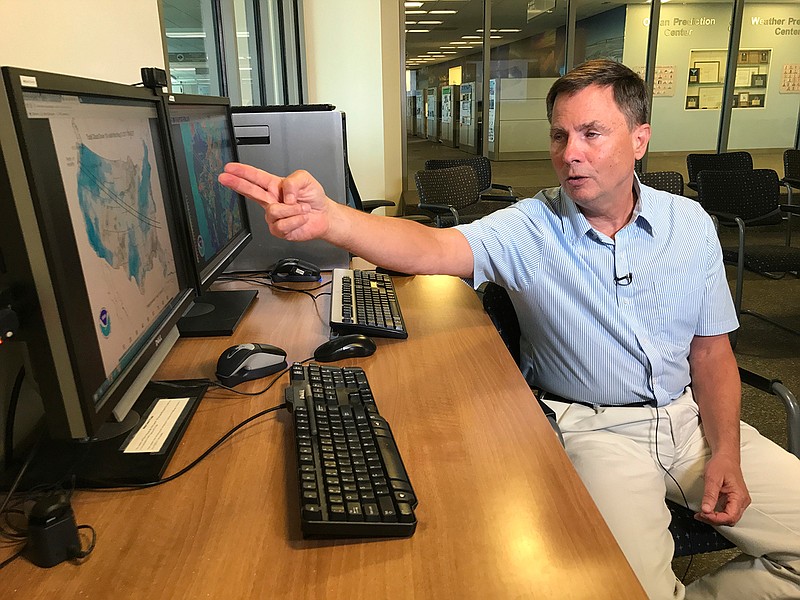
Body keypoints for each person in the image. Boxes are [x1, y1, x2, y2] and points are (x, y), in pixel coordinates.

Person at [219, 59, 800, 599]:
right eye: (559, 135)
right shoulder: (531, 226)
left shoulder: (689, 224)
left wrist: (726, 449)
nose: (570, 153)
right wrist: (332, 219)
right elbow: (434, 245)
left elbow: (712, 349)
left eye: (591, 134)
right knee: (625, 590)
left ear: (640, 138)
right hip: (598, 432)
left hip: (691, 422)